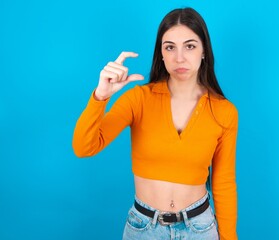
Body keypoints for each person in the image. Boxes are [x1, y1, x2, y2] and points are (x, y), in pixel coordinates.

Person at [73, 7, 238, 240]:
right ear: (161, 53)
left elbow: (224, 183)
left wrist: (230, 237)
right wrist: (101, 96)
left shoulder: (224, 111)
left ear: (204, 51)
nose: (179, 57)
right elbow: (84, 147)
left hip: (200, 229)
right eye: (170, 47)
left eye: (190, 46)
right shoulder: (139, 99)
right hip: (143, 229)